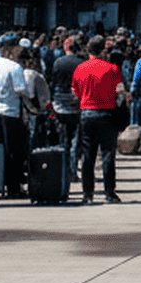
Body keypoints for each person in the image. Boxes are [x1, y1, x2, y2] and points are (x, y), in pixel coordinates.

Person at [72, 34, 124, 203]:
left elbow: (75, 91)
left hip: (87, 112)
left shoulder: (80, 69)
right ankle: (109, 192)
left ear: (88, 50)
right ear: (103, 49)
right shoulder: (112, 69)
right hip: (106, 113)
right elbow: (120, 91)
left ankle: (88, 194)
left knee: (88, 155)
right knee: (108, 154)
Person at [0, 33, 32, 198]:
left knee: (1, 150)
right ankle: (14, 188)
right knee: (15, 152)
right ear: (14, 49)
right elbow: (20, 90)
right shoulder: (15, 67)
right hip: (13, 112)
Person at [48, 35, 85, 181]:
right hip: (75, 105)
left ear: (65, 47)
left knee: (63, 140)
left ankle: (62, 171)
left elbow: (53, 82)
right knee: (75, 140)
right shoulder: (80, 64)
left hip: (59, 105)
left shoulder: (58, 63)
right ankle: (73, 171)